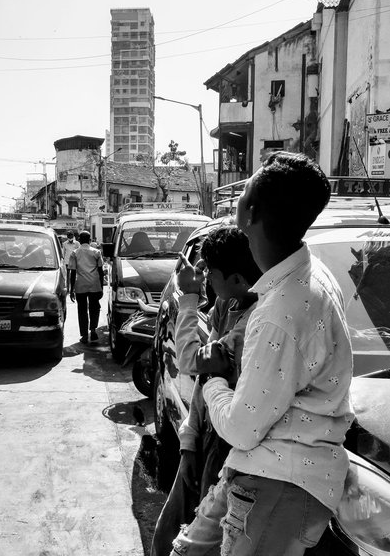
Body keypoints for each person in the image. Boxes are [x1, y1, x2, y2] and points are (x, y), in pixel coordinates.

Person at [170, 152, 354, 556]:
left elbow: (239, 428)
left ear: (249, 213)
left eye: (247, 186)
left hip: (279, 481)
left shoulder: (279, 311)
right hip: (262, 472)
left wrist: (214, 378)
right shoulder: (308, 275)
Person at [150, 226, 261, 556]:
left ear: (238, 278)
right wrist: (188, 441)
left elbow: (191, 361)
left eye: (210, 274)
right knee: (167, 531)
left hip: (228, 445)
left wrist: (187, 300)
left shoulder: (253, 322)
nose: (205, 281)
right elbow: (202, 382)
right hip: (204, 433)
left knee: (197, 540)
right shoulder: (227, 305)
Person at [68, 230, 104, 344]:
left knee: (82, 310)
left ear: (79, 240)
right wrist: (102, 287)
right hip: (94, 285)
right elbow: (101, 271)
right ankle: (93, 330)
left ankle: (84, 335)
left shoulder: (74, 253)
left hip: (81, 285)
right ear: (89, 240)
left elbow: (73, 272)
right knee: (94, 308)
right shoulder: (96, 252)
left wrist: (71, 289)